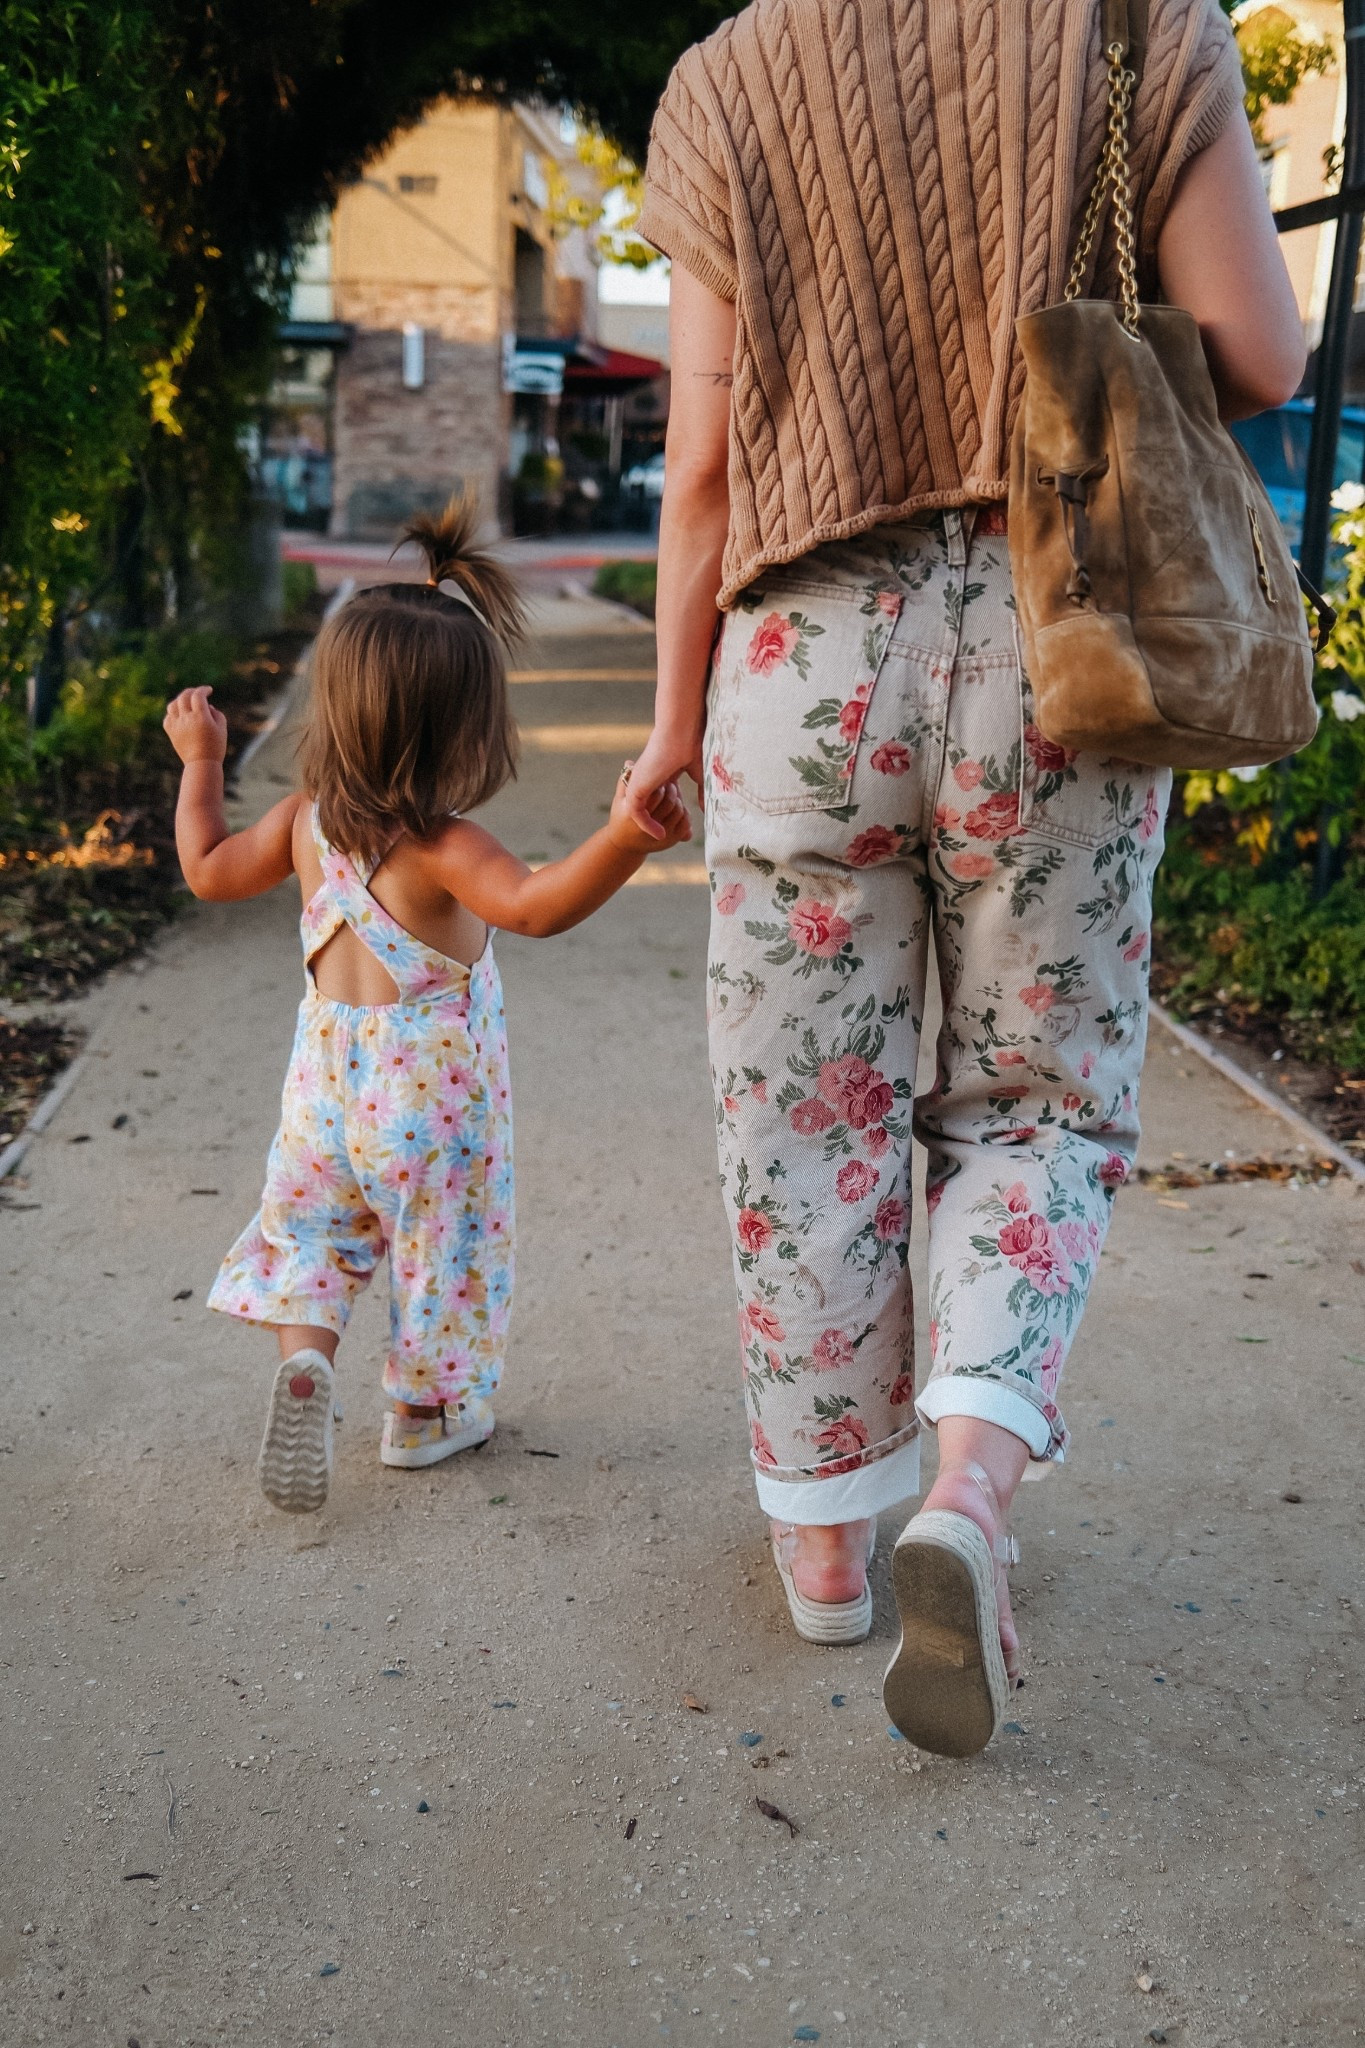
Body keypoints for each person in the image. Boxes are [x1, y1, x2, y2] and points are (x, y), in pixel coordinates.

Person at [624, 0, 1305, 1755]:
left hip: (799, 669)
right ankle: (971, 1493)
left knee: (801, 1118)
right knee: (1035, 1098)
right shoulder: (1141, 28)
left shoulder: (725, 82)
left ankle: (827, 1546)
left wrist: (669, 724)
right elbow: (1260, 347)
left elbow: (701, 470)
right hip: (1051, 645)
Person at [163, 499, 690, 1514]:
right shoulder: (446, 848)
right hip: (433, 1102)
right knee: (447, 1249)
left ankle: (308, 1358)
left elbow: (206, 870)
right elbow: (536, 909)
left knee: (311, 1229)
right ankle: (426, 1412)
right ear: (468, 725)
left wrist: (201, 764)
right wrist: (626, 835)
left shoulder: (302, 824)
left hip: (324, 1090)